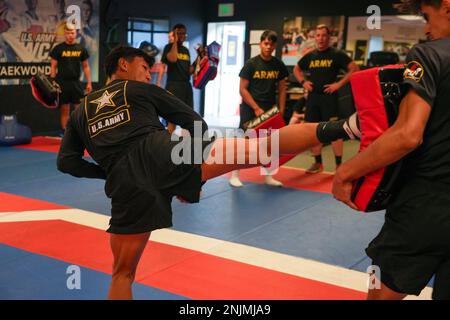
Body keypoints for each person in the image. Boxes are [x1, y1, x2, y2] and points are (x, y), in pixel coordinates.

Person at [56, 45, 359, 300]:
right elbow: (195, 123)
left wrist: (106, 173)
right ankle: (347, 127)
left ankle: (345, 127)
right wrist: (193, 173)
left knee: (121, 274)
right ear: (124, 64)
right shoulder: (139, 89)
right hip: (169, 154)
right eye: (145, 66)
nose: (149, 73)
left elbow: (66, 163)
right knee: (259, 148)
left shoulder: (81, 111)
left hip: (125, 183)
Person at [333, 0, 450, 300]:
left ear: (447, 7)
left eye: (427, 17)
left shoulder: (428, 54)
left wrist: (346, 171)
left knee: (377, 290)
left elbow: (407, 135)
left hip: (424, 207)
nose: (426, 27)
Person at [294, 24, 359, 173]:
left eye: (323, 35)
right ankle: (318, 163)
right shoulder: (310, 55)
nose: (321, 38)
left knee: (335, 132)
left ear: (329, 38)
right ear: (315, 37)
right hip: (313, 99)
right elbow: (296, 69)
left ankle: (339, 165)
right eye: (318, 35)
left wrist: (339, 84)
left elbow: (354, 68)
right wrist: (303, 82)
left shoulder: (336, 54)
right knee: (312, 131)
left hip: (329, 99)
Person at [229, 30, 289, 188]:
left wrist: (281, 109)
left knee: (270, 142)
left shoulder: (278, 65)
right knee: (245, 142)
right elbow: (242, 89)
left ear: (275, 46)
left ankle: (268, 176)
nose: (268, 47)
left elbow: (282, 89)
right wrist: (255, 108)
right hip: (250, 108)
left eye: (271, 44)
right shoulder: (251, 64)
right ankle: (234, 175)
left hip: (269, 109)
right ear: (261, 44)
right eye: (265, 43)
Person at [50, 22, 92, 133]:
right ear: (65, 33)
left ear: (76, 33)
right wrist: (52, 82)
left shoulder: (80, 48)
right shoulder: (58, 49)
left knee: (79, 109)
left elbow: (86, 67)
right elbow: (53, 67)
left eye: (72, 33)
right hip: (62, 83)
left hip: (76, 83)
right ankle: (65, 132)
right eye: (68, 33)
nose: (70, 35)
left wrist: (89, 83)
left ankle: (80, 132)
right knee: (65, 109)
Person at [161, 23, 195, 133]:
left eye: (183, 33)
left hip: (186, 86)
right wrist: (174, 42)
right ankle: (168, 144)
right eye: (179, 33)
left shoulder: (186, 50)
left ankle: (186, 145)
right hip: (174, 86)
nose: (182, 36)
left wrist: (199, 59)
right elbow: (173, 59)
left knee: (188, 116)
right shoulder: (168, 47)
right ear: (174, 34)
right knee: (173, 119)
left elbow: (189, 71)